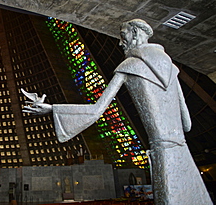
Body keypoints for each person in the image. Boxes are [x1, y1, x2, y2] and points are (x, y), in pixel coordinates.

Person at [23, 19, 212, 205]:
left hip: (163, 155)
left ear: (136, 34)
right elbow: (187, 124)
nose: (120, 42)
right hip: (184, 155)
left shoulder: (128, 67)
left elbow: (96, 111)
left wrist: (51, 109)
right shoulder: (173, 69)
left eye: (123, 36)